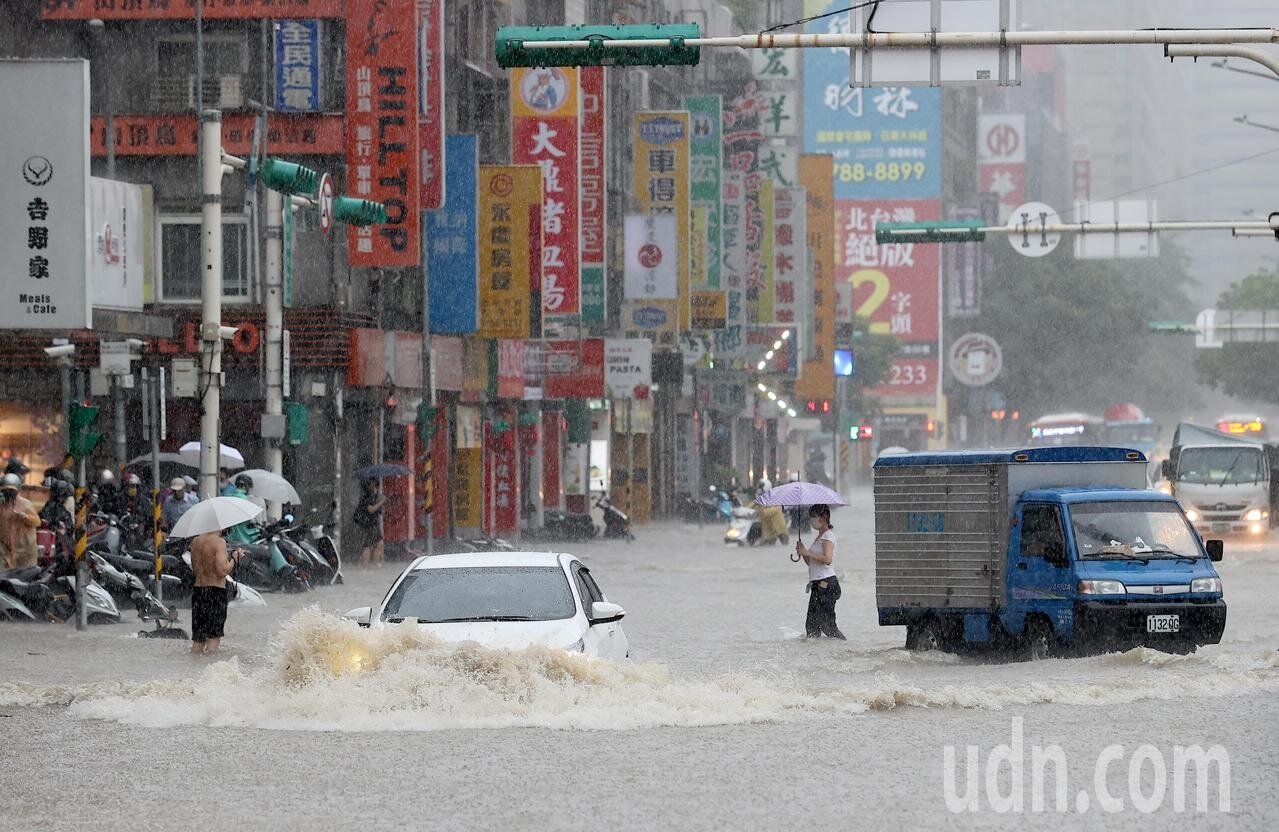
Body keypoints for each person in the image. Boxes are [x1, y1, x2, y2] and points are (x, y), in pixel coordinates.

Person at [189, 529, 247, 654]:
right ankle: (210, 671)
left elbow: (195, 569)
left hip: (198, 592)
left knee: (198, 640)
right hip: (215, 593)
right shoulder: (219, 542)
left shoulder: (195, 541)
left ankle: (193, 671)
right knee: (213, 638)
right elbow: (222, 571)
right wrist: (235, 559)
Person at [795, 503, 845, 640]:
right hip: (818, 585)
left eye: (813, 516)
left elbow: (827, 559)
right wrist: (803, 552)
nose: (811, 520)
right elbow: (811, 564)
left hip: (826, 584)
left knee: (827, 625)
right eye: (810, 516)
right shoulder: (819, 537)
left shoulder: (828, 536)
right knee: (812, 625)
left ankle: (845, 648)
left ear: (824, 517)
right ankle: (816, 656)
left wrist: (807, 552)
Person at [0, 474, 41, 570]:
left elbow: (37, 522)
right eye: (5, 490)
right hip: (5, 550)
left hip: (24, 551)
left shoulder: (25, 504)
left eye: (11, 490)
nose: (8, 493)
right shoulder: (1, 505)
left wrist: (25, 517)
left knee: (23, 578)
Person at [354, 479, 385, 566]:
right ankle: (367, 564)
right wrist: (381, 501)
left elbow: (377, 511)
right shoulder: (368, 495)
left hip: (372, 523)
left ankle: (368, 564)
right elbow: (371, 509)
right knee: (370, 545)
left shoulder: (373, 496)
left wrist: (380, 505)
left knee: (375, 544)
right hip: (369, 524)